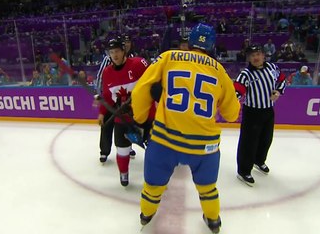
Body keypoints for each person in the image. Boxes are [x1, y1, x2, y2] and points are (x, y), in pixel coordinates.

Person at [131, 23, 240, 233]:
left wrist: (140, 118)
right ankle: (213, 220)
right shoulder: (220, 71)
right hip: (204, 146)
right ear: (211, 46)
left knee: (153, 187)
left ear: (190, 42)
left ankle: (146, 214)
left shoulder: (168, 57)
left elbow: (140, 91)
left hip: (165, 140)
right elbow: (232, 114)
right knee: (207, 188)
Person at [98, 37, 150, 186]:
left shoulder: (139, 64)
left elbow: (153, 81)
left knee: (153, 147)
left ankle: (155, 176)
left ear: (123, 51)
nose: (114, 55)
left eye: (117, 51)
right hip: (122, 117)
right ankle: (124, 173)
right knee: (122, 147)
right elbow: (107, 97)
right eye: (111, 52)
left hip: (144, 115)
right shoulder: (107, 72)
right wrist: (102, 112)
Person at [234, 43, 286, 186]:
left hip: (268, 111)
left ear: (263, 55)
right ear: (249, 59)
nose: (255, 57)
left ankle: (259, 160)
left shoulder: (272, 68)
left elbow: (282, 80)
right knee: (248, 143)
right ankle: (243, 171)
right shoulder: (246, 74)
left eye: (257, 54)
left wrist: (278, 91)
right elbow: (237, 92)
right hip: (252, 113)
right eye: (252, 55)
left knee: (266, 139)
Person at [95, 35, 137, 163]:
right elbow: (100, 79)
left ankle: (127, 147)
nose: (127, 44)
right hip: (111, 99)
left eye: (128, 42)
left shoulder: (133, 58)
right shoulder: (108, 60)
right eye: (125, 42)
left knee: (127, 123)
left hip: (127, 100)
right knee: (107, 125)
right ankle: (105, 151)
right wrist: (99, 95)